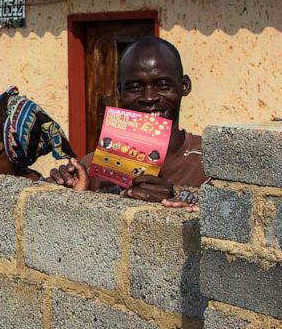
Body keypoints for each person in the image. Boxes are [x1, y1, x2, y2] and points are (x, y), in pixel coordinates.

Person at [50, 37, 206, 209]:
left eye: (162, 85)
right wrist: (74, 199)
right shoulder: (91, 169)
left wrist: (174, 206)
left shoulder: (210, 165)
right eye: (135, 87)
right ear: (119, 91)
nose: (149, 98)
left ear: (184, 86)